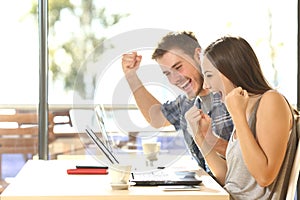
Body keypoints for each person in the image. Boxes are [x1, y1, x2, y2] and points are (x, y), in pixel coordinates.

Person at [185, 36, 298, 199]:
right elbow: (230, 180)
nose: (206, 86)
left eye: (209, 75)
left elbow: (264, 176)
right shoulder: (245, 109)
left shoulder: (271, 100)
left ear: (231, 71)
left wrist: (238, 116)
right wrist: (200, 137)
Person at [121, 31, 233, 172]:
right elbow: (155, 118)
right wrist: (131, 75)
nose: (174, 79)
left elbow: (252, 159)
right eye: (167, 73)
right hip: (208, 187)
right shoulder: (186, 103)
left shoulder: (230, 95)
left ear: (198, 55)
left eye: (178, 67)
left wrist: (209, 140)